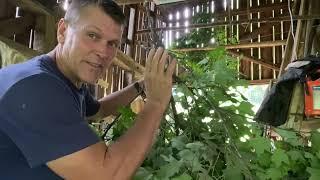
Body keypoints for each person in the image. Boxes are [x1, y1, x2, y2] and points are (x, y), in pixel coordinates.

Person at [0, 0, 176, 179]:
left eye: (112, 43)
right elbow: (107, 175)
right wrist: (155, 103)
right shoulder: (35, 88)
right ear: (62, 31)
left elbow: (100, 110)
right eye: (92, 35)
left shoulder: (64, 79)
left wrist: (143, 85)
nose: (103, 52)